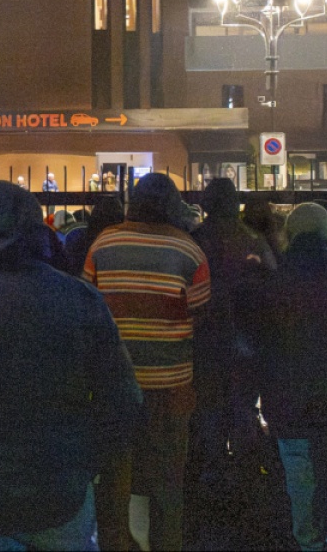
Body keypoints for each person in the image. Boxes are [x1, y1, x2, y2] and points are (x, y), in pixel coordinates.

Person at [0, 181, 142, 551]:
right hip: (61, 494)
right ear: (38, 230)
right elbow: (124, 400)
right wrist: (85, 466)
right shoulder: (82, 300)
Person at [83, 173, 210, 551]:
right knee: (167, 485)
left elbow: (87, 309)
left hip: (113, 387)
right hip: (170, 387)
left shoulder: (103, 244)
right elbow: (201, 317)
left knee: (115, 484)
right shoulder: (189, 251)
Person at [255, 202, 327, 552]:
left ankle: (308, 537)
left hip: (287, 395)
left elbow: (262, 343)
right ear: (325, 232)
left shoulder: (273, 282)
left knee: (298, 470)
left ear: (290, 232)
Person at [186, 178, 275, 546]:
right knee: (242, 410)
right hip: (246, 341)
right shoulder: (253, 240)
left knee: (208, 411)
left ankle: (211, 482)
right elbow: (271, 287)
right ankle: (245, 482)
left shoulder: (194, 240)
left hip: (205, 341)